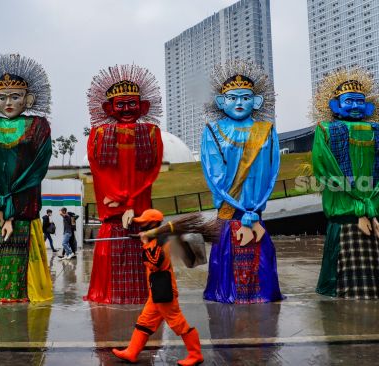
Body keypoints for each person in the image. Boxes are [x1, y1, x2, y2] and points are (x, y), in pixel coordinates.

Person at [201, 59, 283, 304]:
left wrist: (255, 209)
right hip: (229, 211)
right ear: (221, 102)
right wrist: (241, 208)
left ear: (256, 102)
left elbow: (272, 173)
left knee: (261, 258)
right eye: (233, 97)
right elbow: (214, 175)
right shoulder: (213, 131)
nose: (239, 103)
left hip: (256, 211)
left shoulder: (266, 130)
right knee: (228, 255)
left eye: (245, 97)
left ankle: (259, 293)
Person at [312, 68, 379, 299]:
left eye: (360, 101)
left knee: (375, 262)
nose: (355, 106)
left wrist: (369, 205)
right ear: (335, 105)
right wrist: (359, 204)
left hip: (370, 211)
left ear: (368, 107)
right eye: (348, 101)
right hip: (345, 211)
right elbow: (325, 169)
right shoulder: (326, 130)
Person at [0, 54, 53, 303]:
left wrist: (11, 204)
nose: (8, 102)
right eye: (2, 97)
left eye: (15, 96)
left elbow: (38, 166)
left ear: (28, 100)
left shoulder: (38, 125)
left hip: (26, 205)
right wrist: (0, 201)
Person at [84, 64, 164, 304]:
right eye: (121, 104)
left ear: (143, 106)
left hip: (139, 212)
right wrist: (118, 200)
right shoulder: (99, 134)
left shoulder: (151, 133)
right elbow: (100, 172)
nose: (127, 109)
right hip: (113, 211)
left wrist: (132, 202)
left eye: (132, 103)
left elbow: (150, 173)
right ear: (109, 108)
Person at [112, 209, 203, 366]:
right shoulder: (158, 238)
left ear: (152, 224)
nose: (140, 226)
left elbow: (154, 264)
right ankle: (132, 352)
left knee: (178, 323)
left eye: (143, 223)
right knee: (145, 321)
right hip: (157, 292)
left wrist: (146, 243)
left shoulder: (162, 241)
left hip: (164, 292)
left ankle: (195, 355)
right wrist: (146, 241)